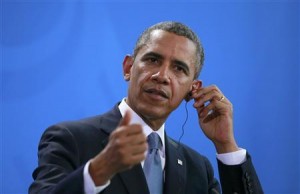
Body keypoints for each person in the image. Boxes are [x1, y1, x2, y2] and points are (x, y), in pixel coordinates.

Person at [29, 21, 263, 194]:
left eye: (179, 68)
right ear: (128, 67)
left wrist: (226, 146)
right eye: (152, 60)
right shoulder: (70, 139)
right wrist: (99, 170)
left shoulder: (197, 168)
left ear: (192, 89)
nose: (162, 76)